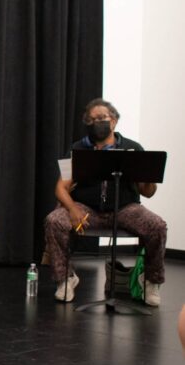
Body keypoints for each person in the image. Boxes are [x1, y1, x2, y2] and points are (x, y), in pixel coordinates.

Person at [43, 98, 167, 305]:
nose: (97, 123)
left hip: (125, 208)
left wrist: (148, 177)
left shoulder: (133, 148)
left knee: (157, 225)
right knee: (54, 220)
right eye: (91, 120)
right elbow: (60, 188)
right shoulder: (76, 149)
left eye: (102, 118)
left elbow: (148, 192)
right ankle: (65, 278)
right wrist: (72, 209)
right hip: (87, 208)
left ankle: (151, 280)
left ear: (114, 121)